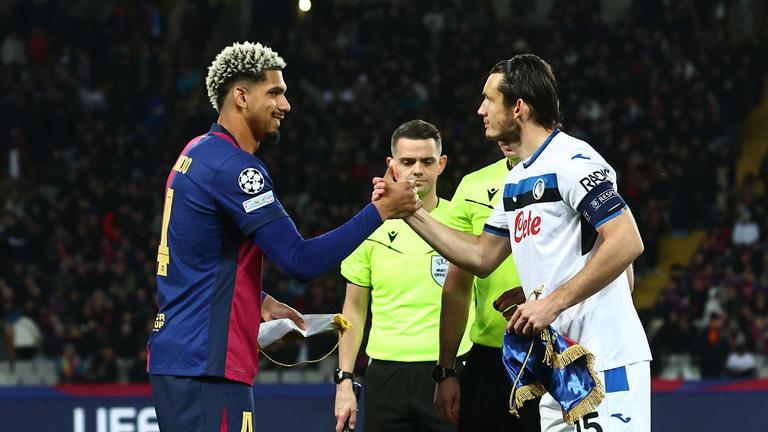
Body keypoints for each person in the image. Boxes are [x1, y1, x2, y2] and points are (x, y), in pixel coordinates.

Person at [147, 41, 420, 432]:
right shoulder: (237, 168)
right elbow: (299, 260)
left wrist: (255, 300)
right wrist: (381, 211)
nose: (285, 104)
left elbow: (194, 259)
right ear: (241, 96)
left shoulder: (197, 151)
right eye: (274, 92)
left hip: (184, 357)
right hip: (207, 365)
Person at [378, 54, 651, 432]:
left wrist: (550, 304)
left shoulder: (574, 160)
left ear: (518, 107)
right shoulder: (517, 180)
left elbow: (626, 241)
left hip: (604, 359)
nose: (480, 110)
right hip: (557, 366)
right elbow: (480, 255)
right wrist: (410, 210)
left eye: (489, 99)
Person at [334, 120, 472, 432]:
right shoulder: (368, 226)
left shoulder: (463, 222)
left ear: (442, 164)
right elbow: (353, 308)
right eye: (408, 162)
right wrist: (344, 380)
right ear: (391, 165)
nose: (417, 170)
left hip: (450, 370)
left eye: (426, 161)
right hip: (385, 375)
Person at [434, 141, 541, 432]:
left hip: (556, 356)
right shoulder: (473, 185)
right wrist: (446, 371)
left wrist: (548, 297)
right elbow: (456, 286)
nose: (483, 112)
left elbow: (619, 266)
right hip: (489, 360)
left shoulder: (575, 173)